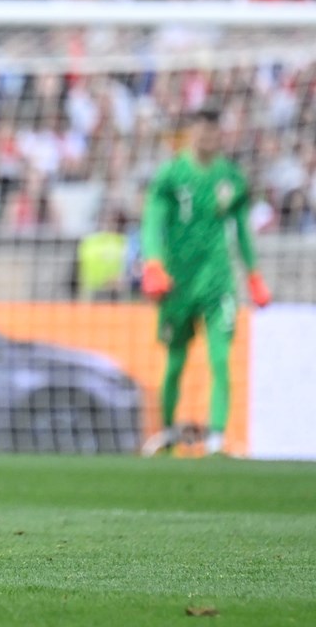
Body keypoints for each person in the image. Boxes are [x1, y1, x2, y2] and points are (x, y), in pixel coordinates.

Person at [139, 108, 270, 458]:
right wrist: (153, 263)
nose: (206, 138)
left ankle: (215, 442)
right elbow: (152, 221)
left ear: (219, 135)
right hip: (177, 284)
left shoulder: (231, 178)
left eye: (212, 132)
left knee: (220, 359)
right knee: (175, 362)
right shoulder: (170, 175)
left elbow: (241, 229)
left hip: (218, 283)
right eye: (200, 132)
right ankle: (166, 435)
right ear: (191, 134)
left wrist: (253, 275)